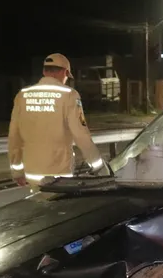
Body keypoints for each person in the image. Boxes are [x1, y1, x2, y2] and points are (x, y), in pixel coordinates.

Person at [8, 53, 106, 190]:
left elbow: (14, 135)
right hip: (59, 173)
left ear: (44, 72)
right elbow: (80, 134)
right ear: (64, 72)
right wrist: (98, 165)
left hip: (32, 172)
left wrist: (17, 170)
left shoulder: (23, 95)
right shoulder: (69, 95)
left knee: (38, 202)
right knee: (59, 203)